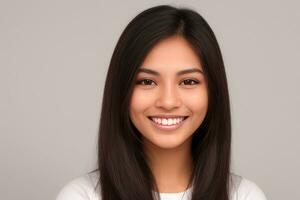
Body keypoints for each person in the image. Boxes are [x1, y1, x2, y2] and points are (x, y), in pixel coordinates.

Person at [56, 5, 267, 200]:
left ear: (213, 92)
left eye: (188, 81)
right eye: (147, 81)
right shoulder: (81, 196)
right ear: (122, 91)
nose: (168, 102)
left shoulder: (244, 196)